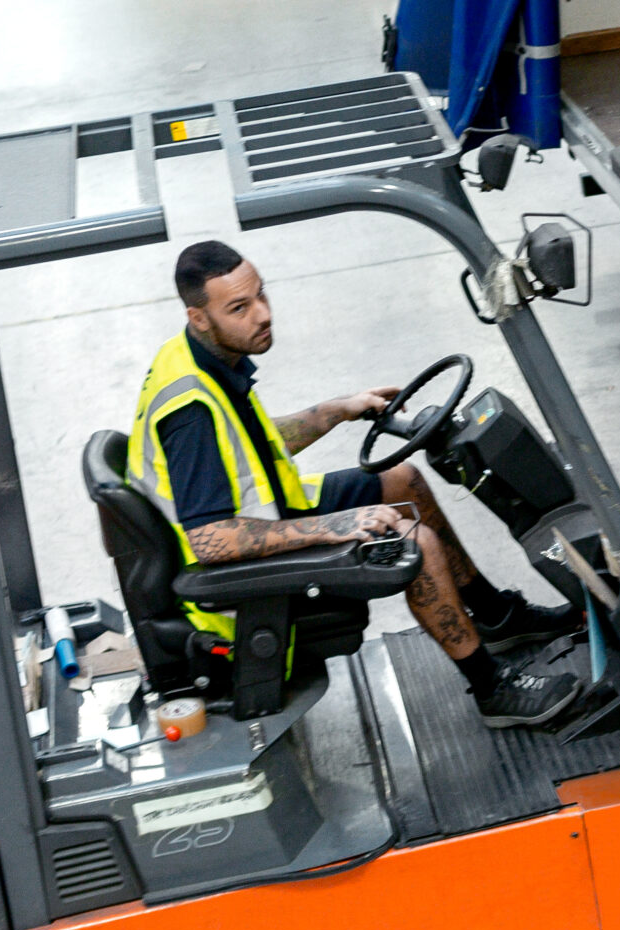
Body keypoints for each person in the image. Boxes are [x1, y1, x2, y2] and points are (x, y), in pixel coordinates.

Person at [127, 239, 580, 729]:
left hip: (266, 517)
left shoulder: (199, 357)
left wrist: (335, 411)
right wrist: (337, 525)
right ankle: (492, 687)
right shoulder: (189, 412)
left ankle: (495, 616)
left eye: (261, 295)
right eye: (240, 307)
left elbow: (245, 444)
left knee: (401, 480)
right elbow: (211, 540)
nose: (261, 315)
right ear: (199, 318)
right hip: (236, 579)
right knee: (417, 543)